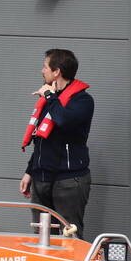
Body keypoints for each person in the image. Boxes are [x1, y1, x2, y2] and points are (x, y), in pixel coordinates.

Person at [19, 48, 94, 235]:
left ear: (57, 71)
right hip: (41, 178)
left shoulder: (83, 100)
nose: (41, 71)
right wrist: (29, 171)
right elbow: (41, 139)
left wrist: (50, 97)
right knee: (42, 236)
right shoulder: (49, 99)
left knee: (71, 237)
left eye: (44, 66)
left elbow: (64, 120)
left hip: (69, 181)